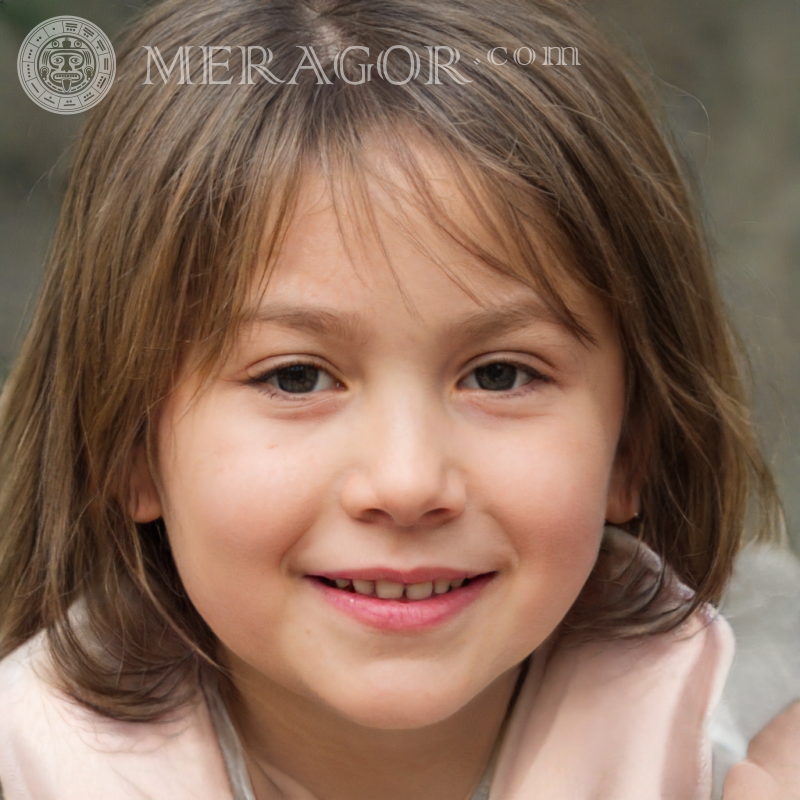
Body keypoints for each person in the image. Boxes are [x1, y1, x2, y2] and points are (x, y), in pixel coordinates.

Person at [0, 0, 797, 797]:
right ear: (129, 441)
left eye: (499, 374)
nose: (408, 482)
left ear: (632, 443)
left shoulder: (741, 744)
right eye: (296, 377)